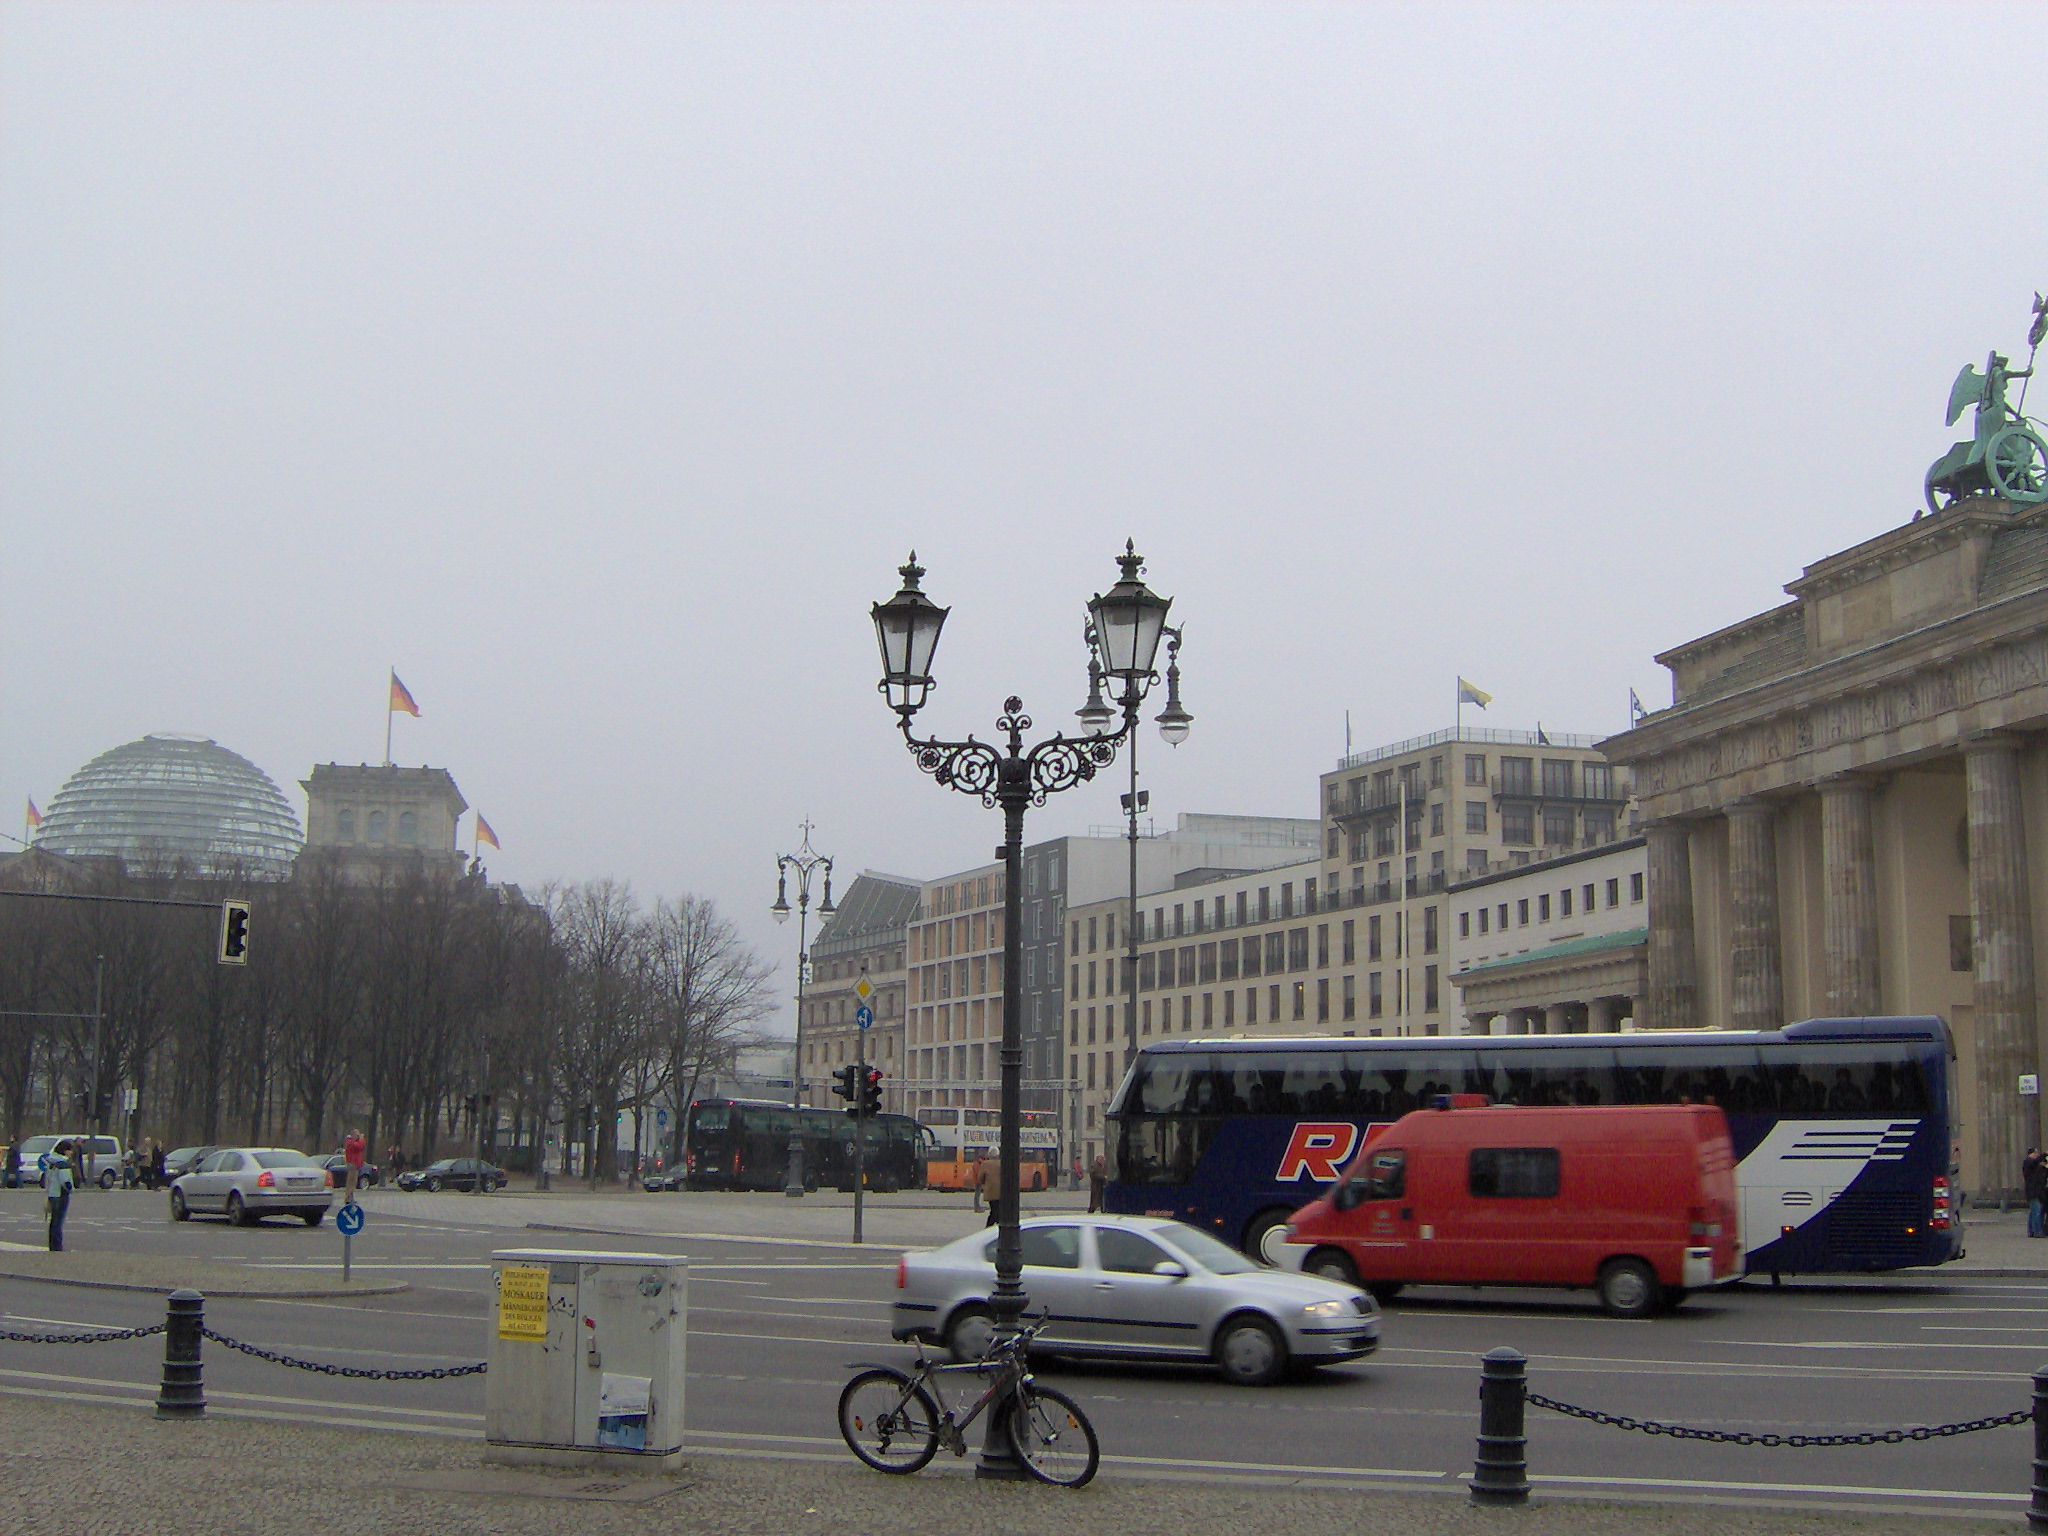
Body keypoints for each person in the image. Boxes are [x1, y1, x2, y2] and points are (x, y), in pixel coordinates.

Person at [42, 1139, 76, 1252]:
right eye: (70, 1150)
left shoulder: (51, 1161)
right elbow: (65, 1181)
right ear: (65, 1151)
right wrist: (71, 1189)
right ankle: (57, 1247)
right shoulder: (63, 1164)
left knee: (53, 1222)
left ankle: (52, 1245)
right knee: (59, 1222)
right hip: (61, 1195)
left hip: (52, 1194)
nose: (71, 1152)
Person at [976, 1152, 1005, 1228]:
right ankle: (997, 1225)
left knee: (994, 1209)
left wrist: (985, 1184)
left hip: (990, 1190)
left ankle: (989, 1227)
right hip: (1001, 1191)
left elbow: (980, 1177)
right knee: (997, 1210)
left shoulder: (985, 1164)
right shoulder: (1002, 1163)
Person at [2026, 1148, 2045, 1238]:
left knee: (2033, 1212)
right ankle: (2037, 1231)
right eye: (2035, 1153)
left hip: (2036, 1191)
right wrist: (2044, 1154)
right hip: (2032, 1191)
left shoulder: (2034, 1166)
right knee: (2037, 1212)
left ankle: (2031, 1230)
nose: (2037, 1155)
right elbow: (2035, 1162)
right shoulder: (2027, 1162)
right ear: (2030, 1154)